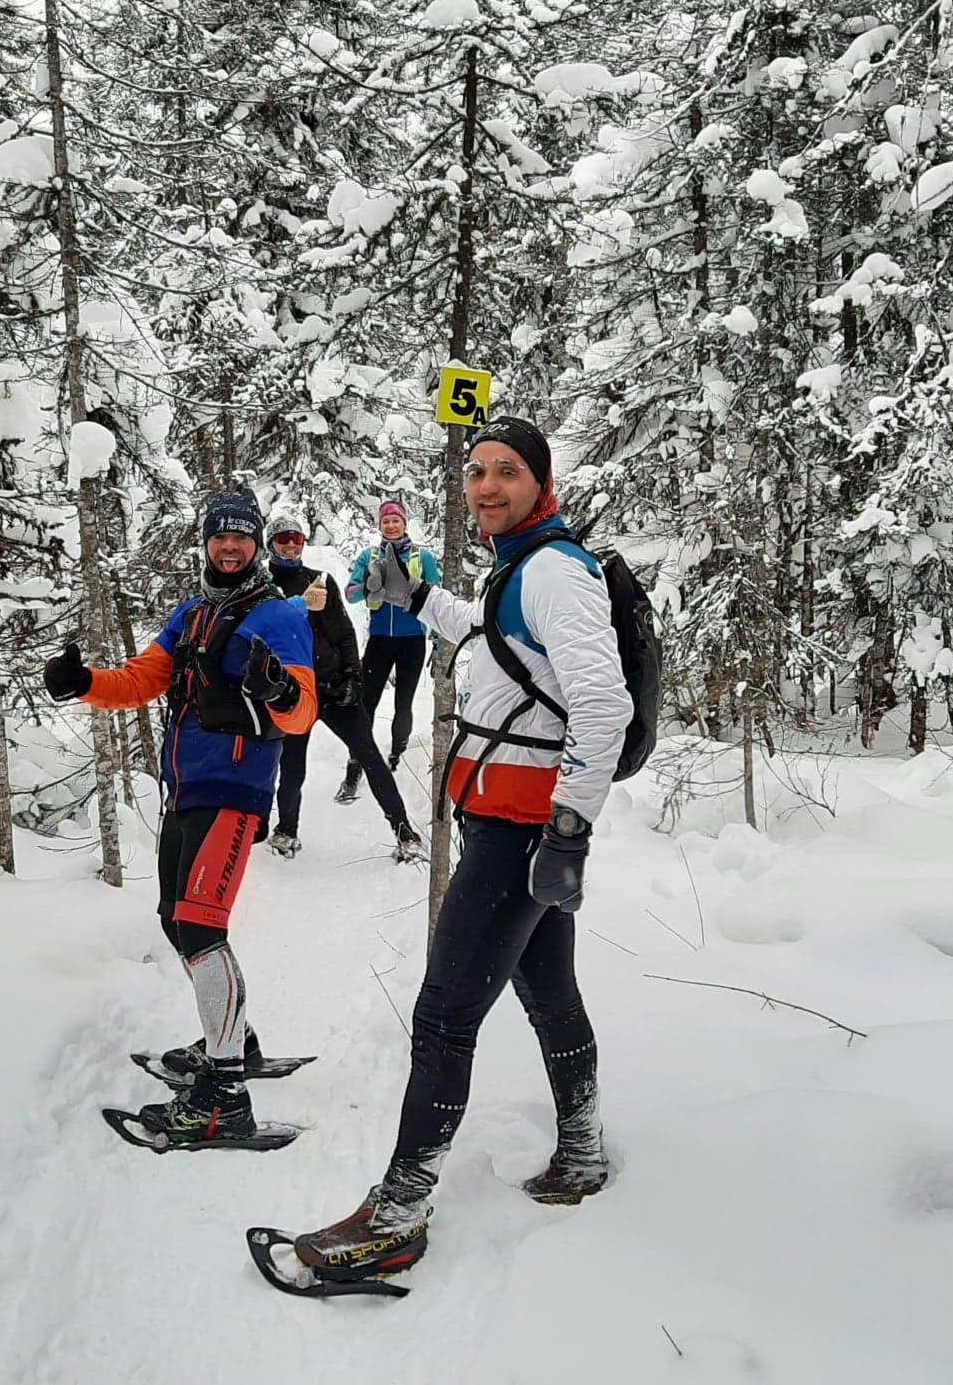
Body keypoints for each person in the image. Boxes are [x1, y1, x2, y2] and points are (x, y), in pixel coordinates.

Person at [289, 417, 630, 1279]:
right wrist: (414, 600)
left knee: (444, 1016)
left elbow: (604, 706)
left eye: (507, 471)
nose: (486, 485)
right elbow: (491, 638)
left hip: (524, 832)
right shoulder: (518, 568)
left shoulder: (555, 571)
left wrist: (568, 832)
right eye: (476, 471)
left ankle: (399, 1211)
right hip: (509, 823)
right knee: (549, 991)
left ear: (541, 483)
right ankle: (582, 1149)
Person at [41, 488, 317, 1144]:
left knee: (199, 925)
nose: (230, 547)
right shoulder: (192, 616)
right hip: (185, 790)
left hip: (237, 789)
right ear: (207, 543)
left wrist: (277, 688)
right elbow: (142, 680)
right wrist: (83, 684)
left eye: (241, 537)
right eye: (220, 536)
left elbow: (302, 712)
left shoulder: (278, 617)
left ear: (255, 545)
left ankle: (225, 1098)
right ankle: (236, 1042)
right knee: (175, 918)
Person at [264, 513, 425, 863]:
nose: (291, 544)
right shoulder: (263, 587)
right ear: (270, 544)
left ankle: (404, 832)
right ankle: (286, 830)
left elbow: (343, 631)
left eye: (297, 538)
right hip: (294, 692)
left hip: (335, 684)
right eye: (283, 539)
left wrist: (353, 676)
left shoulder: (319, 579)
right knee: (292, 767)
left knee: (370, 756)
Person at [338, 501, 439, 802]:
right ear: (380, 526)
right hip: (380, 639)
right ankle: (355, 765)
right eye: (386, 522)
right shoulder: (369, 556)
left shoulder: (424, 556)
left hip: (412, 641)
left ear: (404, 523)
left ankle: (398, 755)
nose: (391, 526)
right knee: (365, 704)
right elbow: (350, 594)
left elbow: (437, 596)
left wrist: (416, 589)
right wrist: (370, 588)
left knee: (403, 703)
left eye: (396, 521)